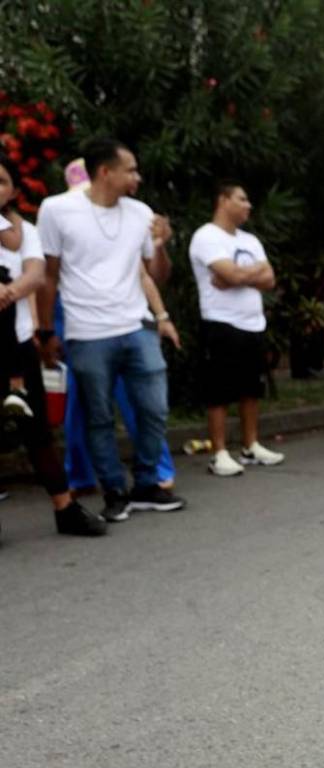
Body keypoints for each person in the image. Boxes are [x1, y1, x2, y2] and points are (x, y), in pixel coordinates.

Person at [35, 137, 185, 522]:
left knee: (154, 409)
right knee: (98, 417)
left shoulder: (140, 213)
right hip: (86, 332)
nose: (137, 176)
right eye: (130, 169)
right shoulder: (57, 210)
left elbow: (157, 276)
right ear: (105, 172)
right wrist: (47, 330)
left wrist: (162, 246)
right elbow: (49, 276)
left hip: (137, 326)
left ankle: (147, 484)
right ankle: (115, 491)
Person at [0, 158, 107, 540]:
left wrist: (9, 291)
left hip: (18, 346)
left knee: (38, 433)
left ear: (13, 190)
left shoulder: (26, 231)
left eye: (2, 181)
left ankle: (66, 510)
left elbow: (36, 273)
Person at [188, 180, 284, 477]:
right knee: (219, 389)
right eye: (242, 199)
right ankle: (219, 453)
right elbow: (229, 273)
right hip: (221, 321)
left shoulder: (250, 240)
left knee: (250, 388)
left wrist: (239, 276)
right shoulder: (206, 237)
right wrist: (242, 273)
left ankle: (250, 445)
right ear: (223, 200)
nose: (248, 205)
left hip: (253, 323)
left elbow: (269, 278)